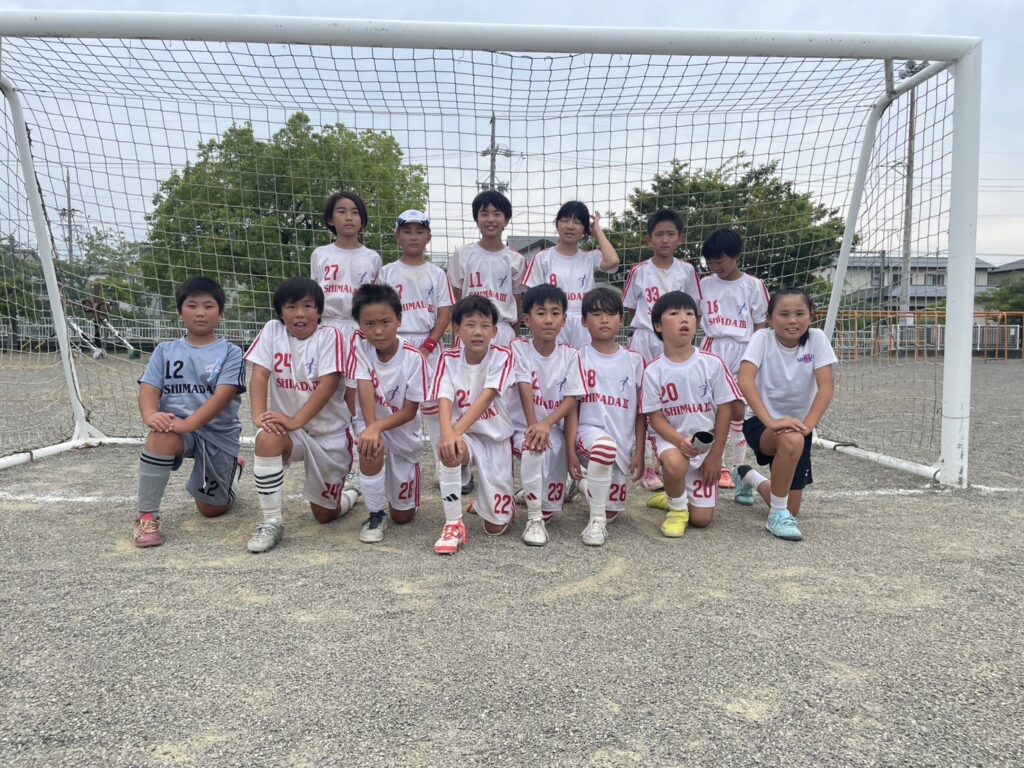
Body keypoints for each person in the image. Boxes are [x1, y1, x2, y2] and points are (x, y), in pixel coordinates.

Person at [243, 277, 359, 553]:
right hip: (290, 432)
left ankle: (353, 491)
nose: (300, 314)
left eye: (308, 306)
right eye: (291, 307)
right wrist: (259, 416)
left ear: (319, 311)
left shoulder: (331, 336)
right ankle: (271, 521)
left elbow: (328, 384)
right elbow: (259, 375)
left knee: (325, 515)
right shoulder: (272, 331)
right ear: (280, 313)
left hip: (328, 434)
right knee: (266, 437)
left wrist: (296, 420)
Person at [132, 276, 246, 548]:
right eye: (192, 306)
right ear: (180, 312)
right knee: (160, 436)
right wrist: (150, 416)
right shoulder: (164, 351)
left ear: (221, 314)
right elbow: (149, 388)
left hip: (217, 434)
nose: (200, 312)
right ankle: (147, 516)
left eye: (208, 306)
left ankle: (233, 470)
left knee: (211, 510)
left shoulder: (231, 352)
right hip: (178, 430)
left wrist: (189, 424)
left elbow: (222, 397)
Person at [735, 287, 837, 541]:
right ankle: (775, 518)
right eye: (784, 314)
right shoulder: (762, 338)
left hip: (799, 427)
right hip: (761, 423)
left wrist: (808, 426)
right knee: (791, 440)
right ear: (770, 318)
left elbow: (826, 387)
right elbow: (745, 380)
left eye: (799, 313)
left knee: (793, 509)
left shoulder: (817, 339)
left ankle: (747, 476)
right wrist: (771, 422)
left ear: (811, 316)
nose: (792, 320)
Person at [641, 291, 743, 538]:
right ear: (658, 325)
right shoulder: (653, 370)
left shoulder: (713, 363)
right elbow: (655, 417)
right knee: (675, 464)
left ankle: (671, 496)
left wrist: (716, 456)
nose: (684, 319)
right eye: (674, 313)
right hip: (671, 440)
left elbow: (727, 410)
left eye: (689, 314)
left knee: (701, 520)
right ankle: (677, 510)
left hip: (704, 448)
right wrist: (679, 441)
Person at [622, 208, 702, 492]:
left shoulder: (687, 270)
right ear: (649, 239)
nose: (664, 239)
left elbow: (694, 307)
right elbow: (628, 307)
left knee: (671, 398)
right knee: (644, 401)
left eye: (670, 234)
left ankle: (664, 458)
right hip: (646, 337)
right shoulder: (639, 271)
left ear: (680, 238)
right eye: (659, 234)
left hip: (675, 341)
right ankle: (643, 461)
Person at [430, 295, 517, 555]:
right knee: (450, 450)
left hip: (495, 439)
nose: (477, 332)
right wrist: (448, 434)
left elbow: (487, 397)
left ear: (494, 331)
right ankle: (453, 524)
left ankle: (490, 503)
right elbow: (444, 398)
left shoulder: (502, 356)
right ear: (456, 330)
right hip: (467, 438)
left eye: (484, 325)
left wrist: (454, 431)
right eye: (470, 325)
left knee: (496, 528)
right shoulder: (447, 358)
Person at [347, 284, 428, 543]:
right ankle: (375, 513)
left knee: (403, 518)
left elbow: (410, 411)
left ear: (399, 320)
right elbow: (364, 387)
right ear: (360, 324)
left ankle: (391, 485)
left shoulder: (414, 358)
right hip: (372, 423)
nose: (378, 330)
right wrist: (372, 428)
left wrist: (377, 428)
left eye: (385, 322)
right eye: (369, 324)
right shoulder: (360, 348)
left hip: (402, 432)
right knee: (370, 445)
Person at [566, 287, 646, 547]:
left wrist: (640, 451)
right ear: (583, 320)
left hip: (621, 443)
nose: (604, 320)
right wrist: (570, 451)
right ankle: (596, 521)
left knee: (613, 512)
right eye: (596, 314)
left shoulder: (635, 361)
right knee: (604, 448)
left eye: (611, 314)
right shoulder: (577, 358)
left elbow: (641, 412)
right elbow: (572, 408)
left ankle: (580, 485)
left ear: (621, 320)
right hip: (588, 434)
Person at [378, 209, 454, 477]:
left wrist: (428, 346)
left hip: (427, 344)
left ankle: (445, 466)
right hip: (394, 345)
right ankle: (390, 465)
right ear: (397, 236)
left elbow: (444, 313)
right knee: (393, 405)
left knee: (434, 407)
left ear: (428, 237)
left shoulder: (436, 273)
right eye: (407, 231)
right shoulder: (386, 272)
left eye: (419, 231)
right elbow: (378, 310)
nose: (413, 237)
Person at [507, 284, 585, 546]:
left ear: (564, 319)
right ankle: (533, 518)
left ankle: (541, 497)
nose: (549, 319)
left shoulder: (571, 355)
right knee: (533, 448)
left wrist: (548, 426)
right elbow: (524, 387)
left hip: (551, 429)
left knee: (552, 510)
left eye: (555, 313)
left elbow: (571, 400)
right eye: (541, 313)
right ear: (526, 319)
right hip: (521, 428)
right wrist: (534, 427)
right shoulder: (518, 347)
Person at [699, 228, 769, 494]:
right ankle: (713, 463)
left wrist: (757, 357)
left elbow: (760, 324)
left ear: (737, 255)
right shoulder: (704, 284)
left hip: (743, 349)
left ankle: (739, 469)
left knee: (739, 411)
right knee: (710, 408)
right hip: (713, 347)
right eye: (710, 262)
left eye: (720, 261)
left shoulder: (754, 285)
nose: (716, 267)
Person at [520, 201, 620, 348]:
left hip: (584, 321)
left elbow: (613, 261)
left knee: (583, 361)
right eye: (565, 220)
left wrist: (598, 231)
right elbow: (531, 296)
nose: (570, 226)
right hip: (554, 320)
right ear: (557, 224)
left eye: (577, 222)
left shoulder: (589, 257)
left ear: (585, 229)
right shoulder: (543, 258)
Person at [447, 190, 526, 348]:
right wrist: (457, 334)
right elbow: (456, 299)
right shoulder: (462, 254)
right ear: (476, 220)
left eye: (497, 214)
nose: (491, 219)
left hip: (502, 330)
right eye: (484, 214)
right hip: (469, 329)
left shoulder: (516, 260)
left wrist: (515, 335)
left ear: (506, 220)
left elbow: (518, 302)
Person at [311, 191, 383, 342]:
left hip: (361, 327)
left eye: (355, 212)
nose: (349, 217)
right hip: (327, 325)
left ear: (362, 220)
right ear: (331, 219)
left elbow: (376, 299)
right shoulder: (320, 254)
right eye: (342, 211)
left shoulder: (372, 257)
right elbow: (313, 295)